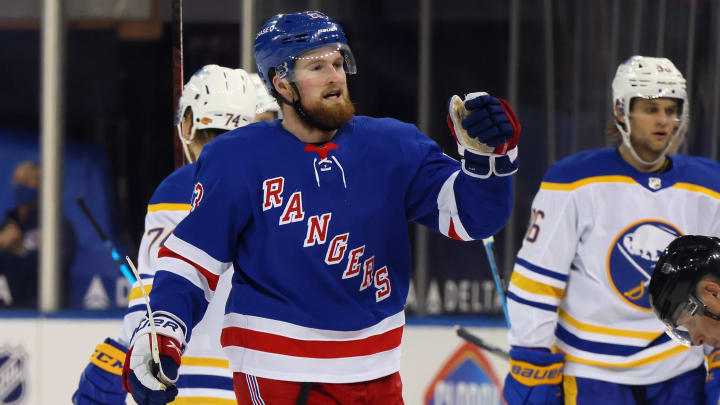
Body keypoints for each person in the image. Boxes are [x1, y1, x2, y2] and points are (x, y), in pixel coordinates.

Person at [121, 10, 521, 405]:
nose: (334, 76)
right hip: (281, 376)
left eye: (337, 62)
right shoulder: (237, 159)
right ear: (282, 84)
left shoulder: (393, 146)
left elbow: (472, 219)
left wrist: (487, 159)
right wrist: (164, 331)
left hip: (377, 373)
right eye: (316, 67)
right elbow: (191, 262)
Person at [503, 55, 720, 405]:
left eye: (671, 109)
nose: (663, 120)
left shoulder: (710, 186)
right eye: (651, 109)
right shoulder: (572, 180)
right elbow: (537, 283)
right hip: (592, 372)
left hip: (678, 369)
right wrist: (533, 362)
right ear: (622, 111)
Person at [72, 64, 259, 405]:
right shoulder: (276, 190)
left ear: (188, 122)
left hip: (185, 383)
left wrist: (117, 355)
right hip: (260, 388)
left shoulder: (179, 187)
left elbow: (153, 294)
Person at [0, 161, 76, 308]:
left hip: (50, 311)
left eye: (27, 181)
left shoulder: (58, 227)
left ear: (42, 185)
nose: (20, 186)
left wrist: (20, 249)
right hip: (12, 313)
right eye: (17, 181)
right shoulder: (7, 226)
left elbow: (59, 266)